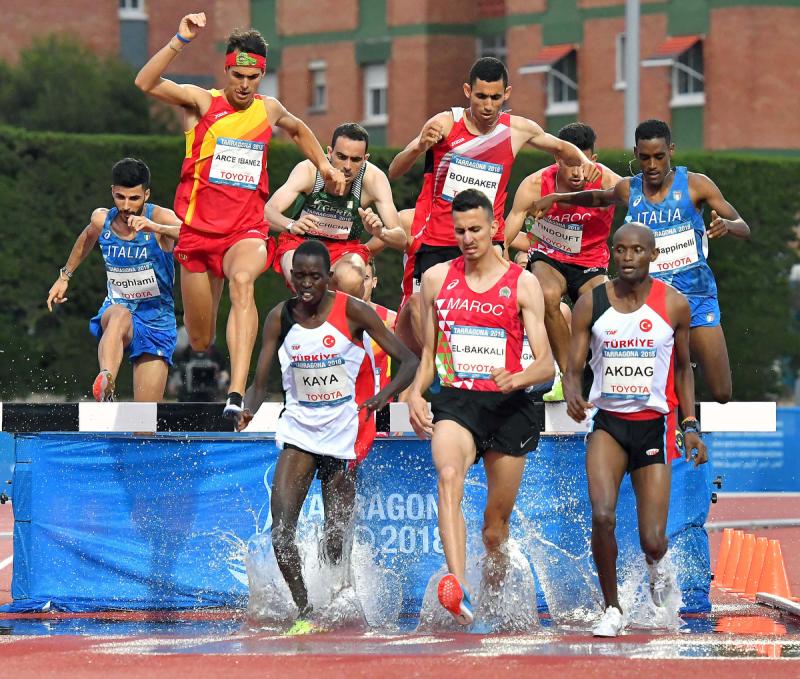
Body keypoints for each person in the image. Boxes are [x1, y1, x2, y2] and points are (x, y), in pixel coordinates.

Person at [135, 12, 346, 419]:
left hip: (245, 231)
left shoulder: (268, 110)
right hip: (196, 235)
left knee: (244, 281)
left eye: (254, 78)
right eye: (238, 76)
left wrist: (324, 166)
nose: (246, 86)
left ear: (261, 76)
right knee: (199, 339)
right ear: (228, 70)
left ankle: (237, 392)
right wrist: (181, 37)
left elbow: (300, 128)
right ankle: (218, 366)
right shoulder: (201, 103)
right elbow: (145, 82)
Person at [236, 240, 418, 632]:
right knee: (282, 532)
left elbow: (410, 361)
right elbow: (259, 383)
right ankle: (305, 611)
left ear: (328, 277)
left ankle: (339, 597)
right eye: (298, 276)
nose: (305, 285)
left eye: (314, 277)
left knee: (335, 539)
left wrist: (382, 397)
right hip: (299, 434)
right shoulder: (279, 318)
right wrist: (247, 408)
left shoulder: (353, 311)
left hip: (343, 438)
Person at [406, 189, 555, 626]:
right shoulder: (436, 279)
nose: (467, 238)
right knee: (448, 475)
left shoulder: (522, 283)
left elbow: (546, 363)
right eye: (459, 231)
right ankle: (457, 585)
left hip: (509, 407)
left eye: (475, 229)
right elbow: (431, 356)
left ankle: (491, 602)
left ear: (494, 228)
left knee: (494, 530)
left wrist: (521, 377)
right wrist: (416, 392)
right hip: (457, 401)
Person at [388, 57, 597, 353]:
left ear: (507, 94)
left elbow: (562, 147)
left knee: (497, 312)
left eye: (495, 98)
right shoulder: (445, 124)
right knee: (416, 314)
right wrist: (421, 146)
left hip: (489, 243)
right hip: (438, 241)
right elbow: (395, 170)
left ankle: (509, 376)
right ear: (467, 91)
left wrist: (586, 162)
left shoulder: (517, 129)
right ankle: (437, 374)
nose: (488, 106)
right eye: (481, 97)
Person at [534, 119, 750, 403]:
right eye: (645, 157)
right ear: (636, 153)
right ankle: (673, 404)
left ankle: (684, 360)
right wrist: (558, 198)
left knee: (721, 392)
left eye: (659, 157)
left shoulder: (696, 185)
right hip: (650, 301)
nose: (652, 165)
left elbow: (742, 225)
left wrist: (727, 225)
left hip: (697, 295)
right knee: (655, 389)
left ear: (670, 151)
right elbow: (599, 197)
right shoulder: (629, 190)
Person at [563, 222, 707, 637]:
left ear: (653, 256)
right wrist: (573, 393)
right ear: (611, 253)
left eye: (637, 251)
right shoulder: (591, 303)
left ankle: (657, 569)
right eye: (620, 250)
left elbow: (683, 369)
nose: (627, 258)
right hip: (608, 425)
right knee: (603, 516)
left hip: (652, 429)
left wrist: (690, 425)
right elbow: (572, 368)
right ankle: (611, 608)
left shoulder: (675, 305)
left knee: (653, 540)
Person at [46, 158, 180, 402]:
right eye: (120, 197)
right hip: (119, 310)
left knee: (145, 421)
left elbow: (192, 233)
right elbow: (86, 238)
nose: (126, 206)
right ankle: (106, 380)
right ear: (112, 192)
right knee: (119, 314)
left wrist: (156, 227)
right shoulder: (102, 219)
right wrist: (64, 276)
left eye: (134, 198)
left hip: (157, 320)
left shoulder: (161, 216)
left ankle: (140, 427)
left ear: (146, 194)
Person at [504, 123, 620, 401]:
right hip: (549, 256)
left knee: (602, 310)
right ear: (558, 158)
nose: (578, 172)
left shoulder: (607, 181)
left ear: (593, 159)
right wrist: (499, 261)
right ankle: (569, 377)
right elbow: (508, 230)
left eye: (584, 163)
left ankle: (601, 375)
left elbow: (643, 197)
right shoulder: (534, 185)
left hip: (591, 261)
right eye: (570, 164)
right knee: (546, 294)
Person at [265, 123, 406, 297]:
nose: (347, 166)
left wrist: (380, 232)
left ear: (365, 159)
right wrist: (291, 224)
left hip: (345, 249)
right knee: (302, 275)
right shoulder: (309, 170)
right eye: (341, 156)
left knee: (352, 278)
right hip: (302, 243)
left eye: (355, 159)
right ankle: (305, 318)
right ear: (329, 153)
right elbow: (268, 211)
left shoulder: (373, 178)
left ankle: (344, 321)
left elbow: (401, 238)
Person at [362, 258, 398, 395]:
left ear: (374, 282)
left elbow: (413, 360)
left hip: (381, 404)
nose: (360, 283)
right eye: (357, 278)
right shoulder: (336, 319)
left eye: (365, 278)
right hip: (347, 407)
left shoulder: (390, 320)